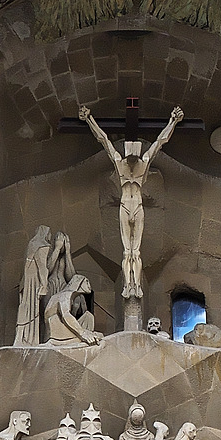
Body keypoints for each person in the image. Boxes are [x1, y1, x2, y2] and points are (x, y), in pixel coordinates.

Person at [79, 104, 184, 299]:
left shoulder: (144, 162)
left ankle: (137, 286)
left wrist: (173, 121)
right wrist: (89, 120)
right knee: (127, 251)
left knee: (136, 251)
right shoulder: (119, 163)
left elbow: (161, 141)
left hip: (137, 207)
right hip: (125, 206)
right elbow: (103, 140)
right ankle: (128, 286)